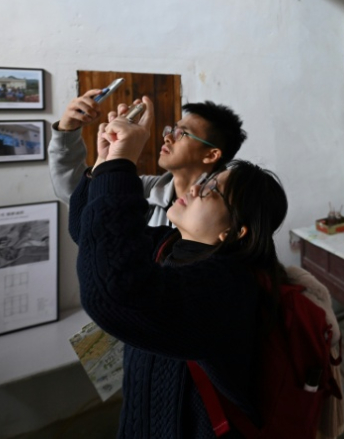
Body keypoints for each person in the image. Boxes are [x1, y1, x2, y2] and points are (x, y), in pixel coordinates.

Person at [68, 98, 290, 438]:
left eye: (212, 190)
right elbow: (87, 234)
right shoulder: (169, 245)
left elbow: (112, 291)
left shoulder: (228, 286)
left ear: (232, 231)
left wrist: (124, 161)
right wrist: (103, 161)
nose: (200, 187)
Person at [49, 89, 246, 227]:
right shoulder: (145, 189)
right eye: (172, 129)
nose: (167, 137)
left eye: (182, 134)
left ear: (211, 154)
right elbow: (78, 196)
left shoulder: (225, 210)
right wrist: (105, 159)